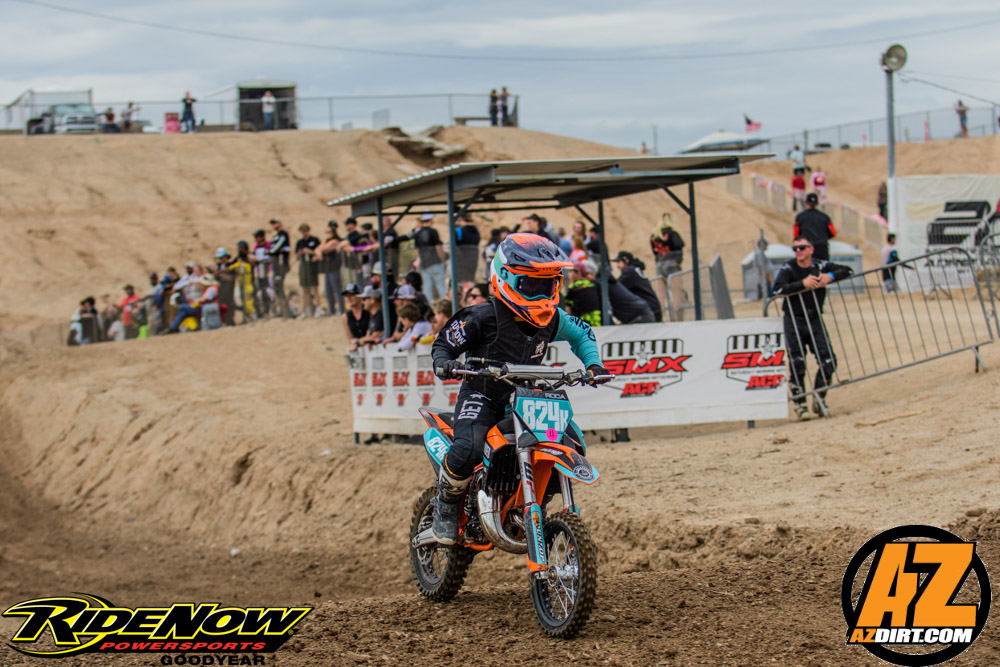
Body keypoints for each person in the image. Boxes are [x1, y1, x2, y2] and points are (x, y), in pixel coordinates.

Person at [429, 233, 611, 544]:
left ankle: (532, 498)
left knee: (573, 441)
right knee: (469, 447)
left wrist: (594, 364)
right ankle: (445, 504)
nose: (541, 294)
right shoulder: (482, 316)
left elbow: (582, 333)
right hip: (483, 394)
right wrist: (444, 362)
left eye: (548, 285)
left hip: (526, 398)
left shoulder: (552, 319)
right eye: (531, 285)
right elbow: (445, 342)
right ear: (505, 278)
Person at [772, 235, 853, 419]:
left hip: (814, 318)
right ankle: (800, 404)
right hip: (794, 319)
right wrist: (802, 284)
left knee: (828, 359)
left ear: (811, 249)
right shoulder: (789, 268)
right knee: (798, 362)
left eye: (802, 248)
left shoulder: (821, 265)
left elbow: (848, 270)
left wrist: (830, 276)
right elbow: (777, 289)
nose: (798, 252)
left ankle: (819, 397)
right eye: (795, 249)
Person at [614, 251, 662, 321]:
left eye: (618, 262)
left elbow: (615, 287)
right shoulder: (634, 270)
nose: (617, 266)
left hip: (649, 311)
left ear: (626, 261)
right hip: (653, 309)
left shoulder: (629, 271)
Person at [410, 212, 447, 301]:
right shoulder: (433, 231)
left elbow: (417, 250)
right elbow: (438, 247)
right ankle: (446, 304)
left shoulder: (417, 233)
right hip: (435, 262)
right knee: (441, 286)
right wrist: (442, 259)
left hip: (424, 264)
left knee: (427, 287)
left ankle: (428, 305)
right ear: (430, 220)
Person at [793, 192, 837, 260]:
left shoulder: (800, 217)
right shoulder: (824, 217)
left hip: (807, 248)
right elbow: (833, 233)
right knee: (823, 266)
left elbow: (796, 235)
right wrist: (823, 237)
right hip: (822, 248)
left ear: (806, 202)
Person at [315, 221, 344, 316]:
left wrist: (320, 251)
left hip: (334, 267)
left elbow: (324, 248)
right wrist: (320, 251)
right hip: (328, 268)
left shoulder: (336, 240)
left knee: (336, 289)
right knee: (328, 290)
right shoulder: (327, 241)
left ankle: (341, 308)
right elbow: (317, 249)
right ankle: (332, 309)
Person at [565, 260, 602, 326]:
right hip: (596, 321)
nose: (569, 274)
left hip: (580, 323)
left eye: (571, 272)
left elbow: (568, 309)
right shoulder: (593, 284)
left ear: (578, 273)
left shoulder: (574, 287)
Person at [296, 223, 322, 317]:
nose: (304, 233)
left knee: (315, 288)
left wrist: (310, 252)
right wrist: (300, 253)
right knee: (305, 289)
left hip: (312, 266)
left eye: (305, 231)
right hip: (303, 266)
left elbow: (319, 253)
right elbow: (296, 257)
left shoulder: (314, 240)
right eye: (302, 232)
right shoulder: (300, 242)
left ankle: (318, 308)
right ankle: (307, 309)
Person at [268, 219, 292, 317]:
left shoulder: (283, 234)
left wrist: (271, 251)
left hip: (281, 264)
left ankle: (287, 311)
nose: (274, 225)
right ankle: (283, 310)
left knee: (280, 286)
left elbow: (274, 249)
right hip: (276, 265)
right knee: (278, 287)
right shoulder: (275, 236)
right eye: (272, 224)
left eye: (275, 223)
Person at [454, 214, 480, 287]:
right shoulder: (476, 231)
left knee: (460, 279)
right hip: (473, 260)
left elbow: (454, 242)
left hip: (461, 259)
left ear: (462, 220)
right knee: (470, 279)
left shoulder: (459, 230)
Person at [252, 229, 273, 317]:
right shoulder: (256, 247)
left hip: (268, 271)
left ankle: (271, 309)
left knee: (269, 290)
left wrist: (260, 261)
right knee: (260, 292)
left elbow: (270, 257)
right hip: (258, 272)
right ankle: (264, 310)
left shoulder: (268, 245)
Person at [342, 284, 369, 351]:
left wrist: (357, 342)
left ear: (359, 296)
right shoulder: (346, 316)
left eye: (351, 295)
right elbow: (350, 338)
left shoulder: (368, 311)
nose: (348, 298)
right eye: (346, 296)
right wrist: (355, 342)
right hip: (357, 348)